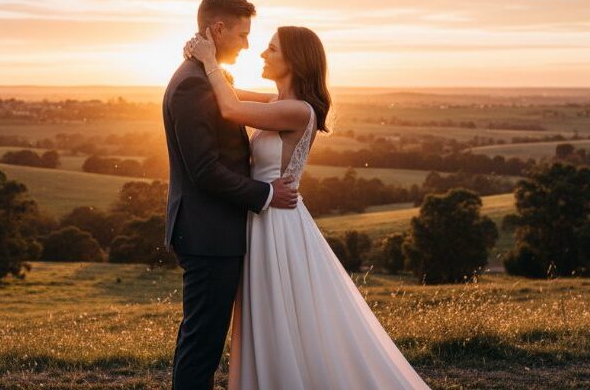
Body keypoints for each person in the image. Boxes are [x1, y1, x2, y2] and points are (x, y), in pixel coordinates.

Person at [184, 24, 432, 390]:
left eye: (272, 49)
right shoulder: (278, 103)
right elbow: (227, 92)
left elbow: (230, 107)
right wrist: (204, 63)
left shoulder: (298, 111)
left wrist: (208, 60)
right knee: (270, 312)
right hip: (264, 216)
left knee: (279, 311)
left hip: (277, 223)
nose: (262, 54)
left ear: (295, 61)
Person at [163, 0, 300, 390]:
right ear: (219, 29)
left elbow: (251, 103)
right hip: (208, 234)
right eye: (242, 35)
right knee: (202, 344)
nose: (246, 45)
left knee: (200, 337)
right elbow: (204, 171)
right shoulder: (193, 86)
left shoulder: (208, 78)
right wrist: (267, 194)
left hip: (212, 231)